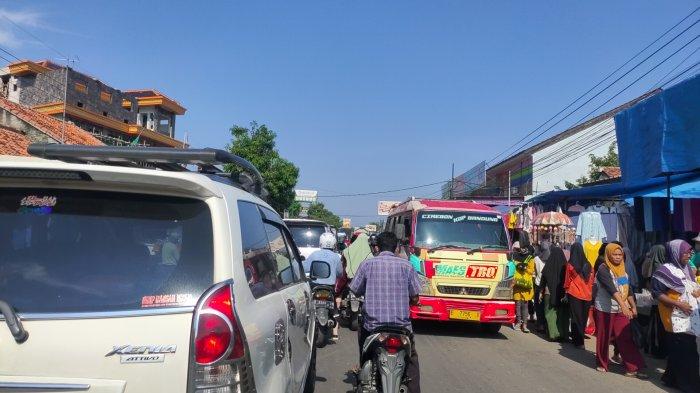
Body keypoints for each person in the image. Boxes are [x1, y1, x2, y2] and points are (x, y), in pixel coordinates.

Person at [350, 232, 422, 393]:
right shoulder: (407, 266)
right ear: (396, 248)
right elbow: (415, 297)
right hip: (402, 328)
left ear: (377, 247)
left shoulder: (367, 265)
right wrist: (412, 301)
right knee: (412, 360)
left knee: (364, 347)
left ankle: (364, 369)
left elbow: (355, 290)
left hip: (373, 327)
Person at [652, 239, 700, 391]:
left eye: (690, 252)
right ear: (675, 253)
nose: (689, 255)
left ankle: (670, 378)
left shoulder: (686, 269)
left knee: (678, 350)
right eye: (685, 252)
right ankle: (689, 385)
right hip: (674, 317)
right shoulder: (663, 271)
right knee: (688, 352)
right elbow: (657, 293)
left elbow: (689, 288)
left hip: (689, 316)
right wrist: (679, 304)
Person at [594, 243, 647, 378]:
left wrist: (633, 306)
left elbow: (627, 289)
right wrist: (624, 306)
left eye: (620, 255)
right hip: (605, 308)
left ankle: (633, 366)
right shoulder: (603, 269)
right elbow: (611, 289)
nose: (618, 257)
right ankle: (602, 362)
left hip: (620, 309)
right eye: (615, 254)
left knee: (625, 337)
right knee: (604, 337)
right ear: (608, 255)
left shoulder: (622, 269)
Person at [304, 232, 344, 341]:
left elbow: (305, 268)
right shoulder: (336, 257)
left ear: (320, 242)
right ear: (334, 243)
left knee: (307, 304)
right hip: (329, 288)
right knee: (335, 308)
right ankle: (335, 329)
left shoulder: (314, 254)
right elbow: (340, 273)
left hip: (315, 286)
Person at [564, 242, 594, 348]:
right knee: (583, 318)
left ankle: (578, 341)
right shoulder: (589, 264)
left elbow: (567, 281)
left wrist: (565, 292)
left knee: (576, 317)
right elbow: (592, 280)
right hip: (587, 295)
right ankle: (580, 340)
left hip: (575, 293)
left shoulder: (571, 265)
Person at [540, 246, 570, 341]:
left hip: (549, 293)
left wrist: (541, 292)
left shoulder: (548, 265)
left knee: (550, 313)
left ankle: (553, 334)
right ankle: (562, 334)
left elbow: (543, 280)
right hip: (562, 293)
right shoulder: (565, 266)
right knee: (561, 314)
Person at [512, 247, 535, 333]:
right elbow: (513, 265)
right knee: (518, 304)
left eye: (524, 247)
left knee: (525, 305)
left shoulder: (530, 257)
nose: (522, 249)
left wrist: (524, 268)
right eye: (521, 247)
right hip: (517, 283)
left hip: (526, 284)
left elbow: (531, 270)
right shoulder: (515, 255)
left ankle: (524, 325)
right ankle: (518, 322)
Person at [533, 239, 550, 332]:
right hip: (547, 285)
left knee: (538, 305)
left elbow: (534, 272)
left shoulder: (536, 259)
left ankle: (540, 324)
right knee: (545, 305)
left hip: (538, 284)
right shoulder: (551, 259)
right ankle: (545, 324)